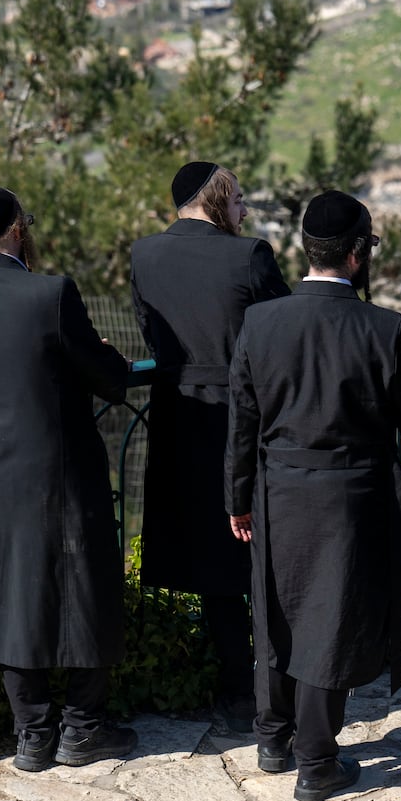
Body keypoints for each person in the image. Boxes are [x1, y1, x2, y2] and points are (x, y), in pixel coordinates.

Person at [225, 190, 401, 801]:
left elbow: (243, 421)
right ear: (355, 255)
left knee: (277, 606)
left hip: (276, 491)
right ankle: (316, 759)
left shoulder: (260, 322)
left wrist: (237, 497)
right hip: (351, 499)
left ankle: (272, 739)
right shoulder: (383, 329)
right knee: (327, 620)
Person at [0, 186, 137, 772]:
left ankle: (31, 735)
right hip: (64, 465)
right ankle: (83, 729)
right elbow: (103, 375)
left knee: (9, 594)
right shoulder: (50, 292)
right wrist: (107, 357)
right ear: (19, 228)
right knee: (85, 588)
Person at [130, 162, 290, 733]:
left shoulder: (143, 254)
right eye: (241, 200)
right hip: (243, 413)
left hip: (178, 414)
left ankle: (235, 690)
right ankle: (276, 684)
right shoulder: (249, 256)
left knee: (208, 552)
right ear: (218, 198)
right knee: (260, 547)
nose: (244, 212)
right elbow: (286, 329)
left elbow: (151, 330)